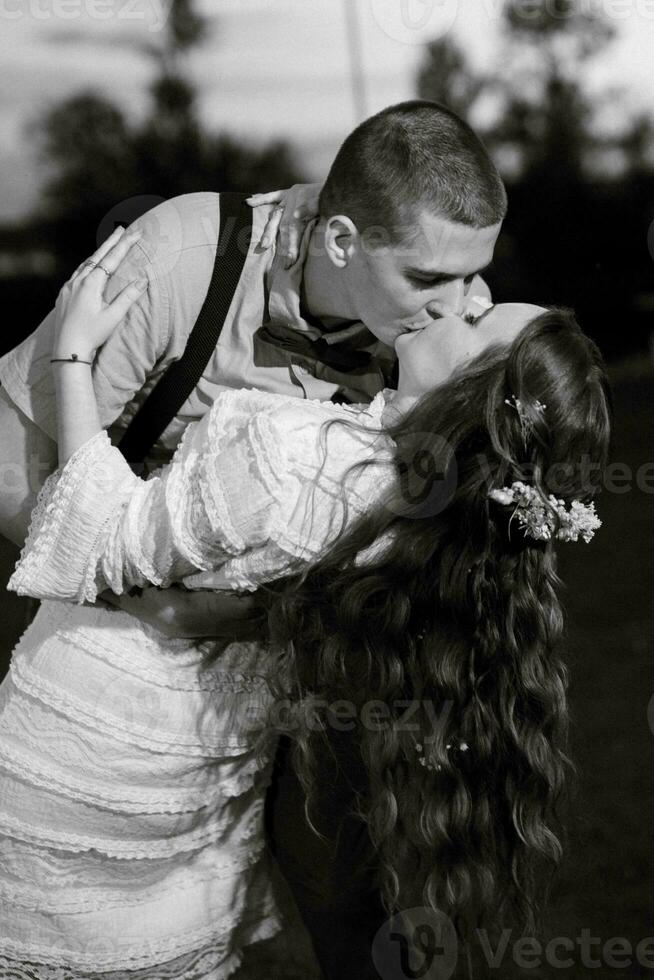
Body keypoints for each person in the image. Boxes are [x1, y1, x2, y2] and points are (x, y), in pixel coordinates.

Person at [0, 228, 611, 977]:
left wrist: (73, 355)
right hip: (195, 798)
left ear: (474, 392)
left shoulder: (304, 456)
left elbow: (97, 539)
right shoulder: (419, 522)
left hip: (86, 748)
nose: (467, 298)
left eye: (478, 320)